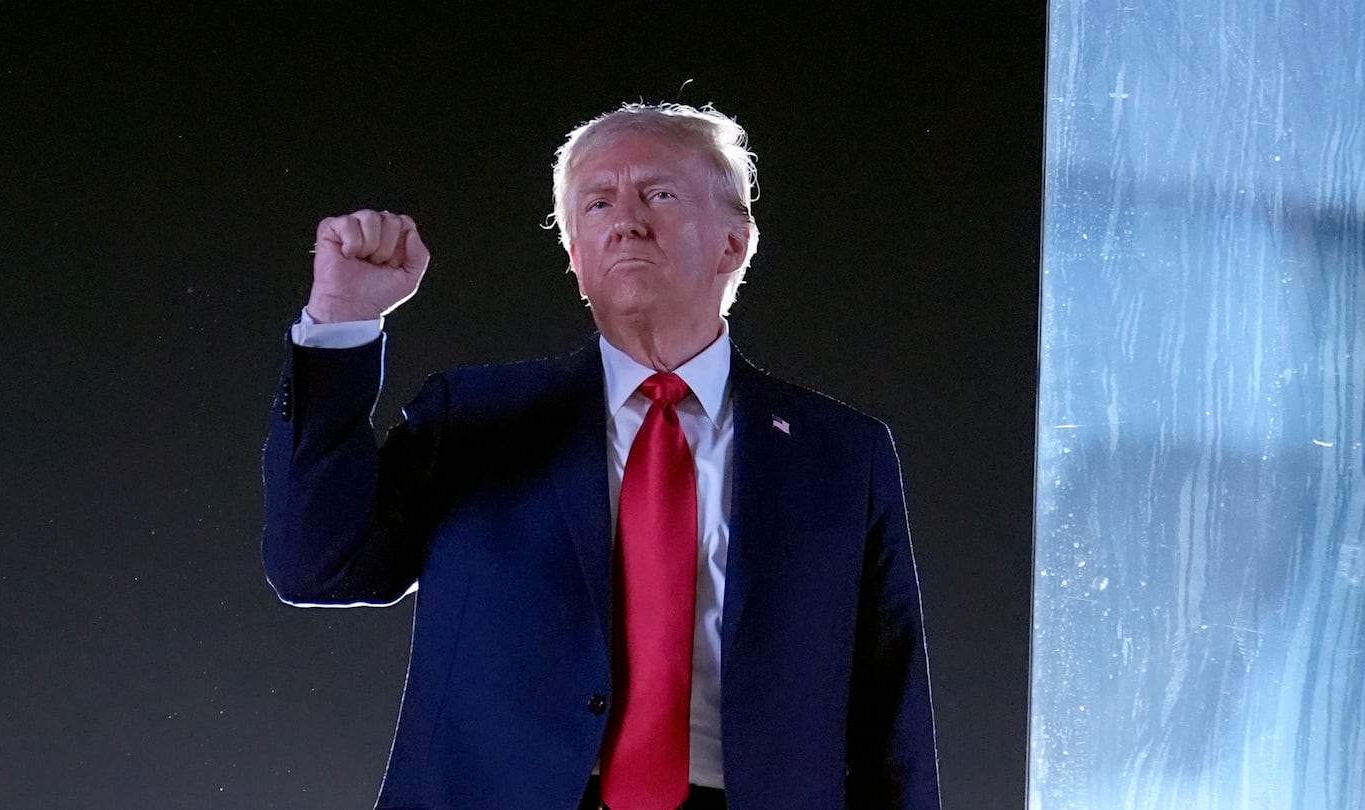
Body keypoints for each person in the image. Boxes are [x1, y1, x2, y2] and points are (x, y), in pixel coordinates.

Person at [262, 102, 940, 810]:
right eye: (597, 202)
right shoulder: (476, 418)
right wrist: (342, 322)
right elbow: (318, 564)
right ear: (576, 255)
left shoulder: (841, 454)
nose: (627, 218)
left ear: (734, 244)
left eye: (659, 194)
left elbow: (892, 712)